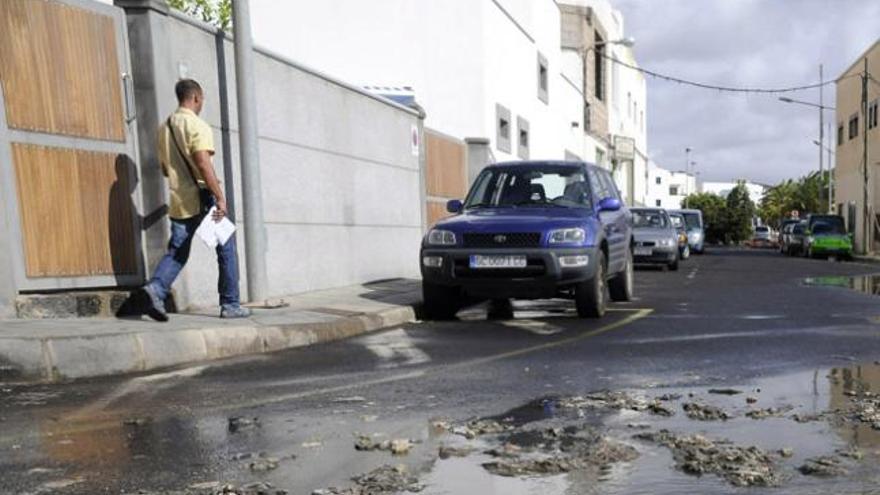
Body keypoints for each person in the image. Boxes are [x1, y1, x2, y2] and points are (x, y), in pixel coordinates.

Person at [140, 79, 251, 321]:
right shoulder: (197, 125)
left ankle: (155, 289)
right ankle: (231, 304)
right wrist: (220, 198)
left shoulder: (164, 128)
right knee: (226, 245)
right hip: (204, 196)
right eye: (201, 100)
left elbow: (165, 169)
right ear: (196, 98)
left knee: (178, 250)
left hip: (180, 198)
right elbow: (203, 162)